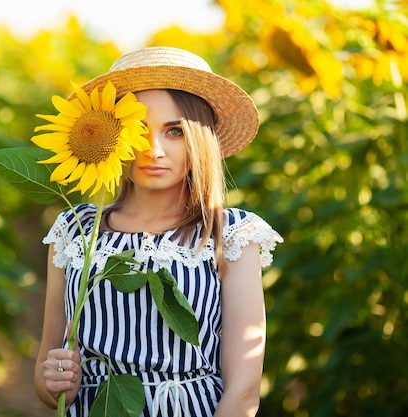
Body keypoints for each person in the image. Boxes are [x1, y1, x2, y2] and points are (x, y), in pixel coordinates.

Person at [34, 46, 283, 417]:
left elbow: (244, 391)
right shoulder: (75, 231)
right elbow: (47, 370)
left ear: (201, 140)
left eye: (175, 132)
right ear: (111, 137)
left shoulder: (230, 235)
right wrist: (54, 382)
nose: (154, 150)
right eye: (138, 130)